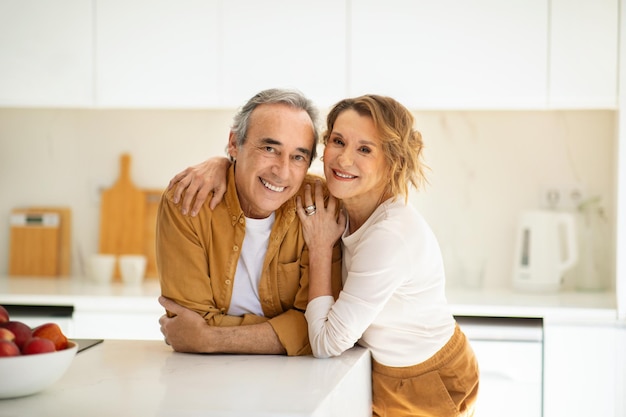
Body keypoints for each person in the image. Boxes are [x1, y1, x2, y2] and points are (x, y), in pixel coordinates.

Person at [169, 94, 479, 417]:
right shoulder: (342, 201)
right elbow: (257, 167)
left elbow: (326, 343)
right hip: (377, 371)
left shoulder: (389, 237)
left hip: (428, 379)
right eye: (338, 141)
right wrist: (223, 164)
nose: (343, 160)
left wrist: (319, 249)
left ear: (393, 161)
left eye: (365, 149)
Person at [156, 88, 342, 356]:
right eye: (269, 148)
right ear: (234, 143)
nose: (282, 171)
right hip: (202, 379)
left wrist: (209, 339)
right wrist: (284, 332)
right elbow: (188, 322)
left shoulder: (318, 205)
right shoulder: (188, 199)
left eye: (298, 156)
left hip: (298, 382)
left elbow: (316, 327)